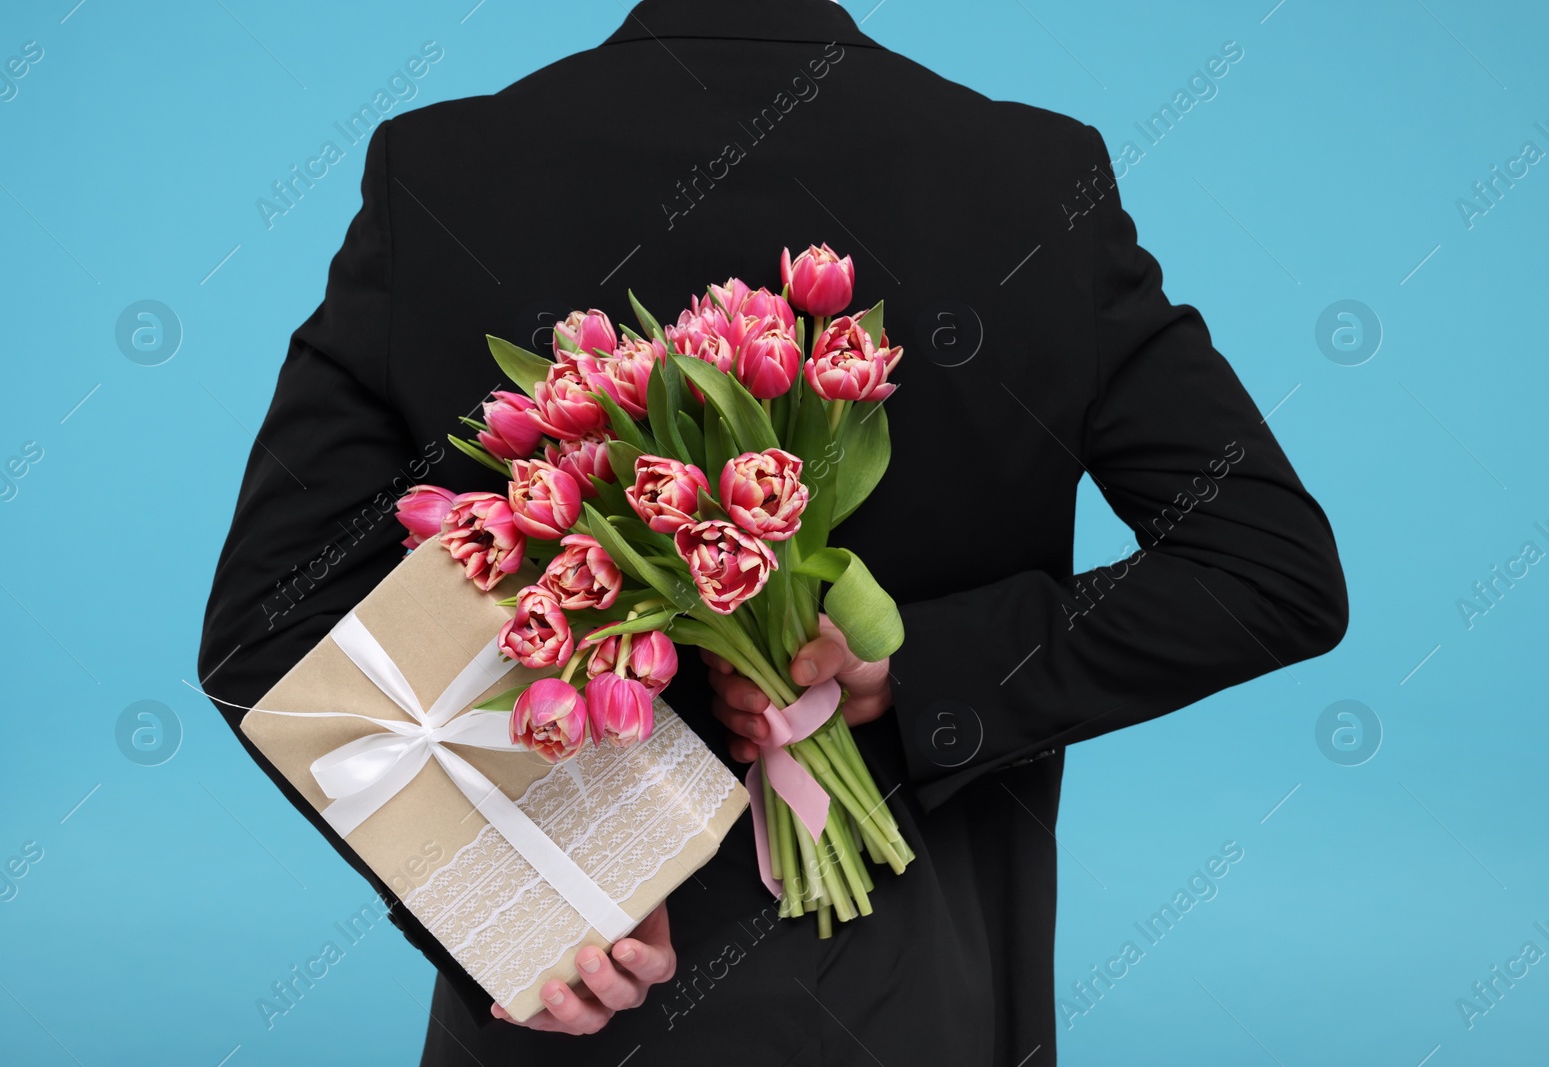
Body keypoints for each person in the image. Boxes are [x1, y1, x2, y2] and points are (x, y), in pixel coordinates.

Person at [197, 1, 1349, 1063]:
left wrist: (535, 891)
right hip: (923, 1001)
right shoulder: (1026, 175)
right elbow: (1262, 566)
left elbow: (269, 621)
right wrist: (915, 669)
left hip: (587, 994)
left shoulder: (444, 169)